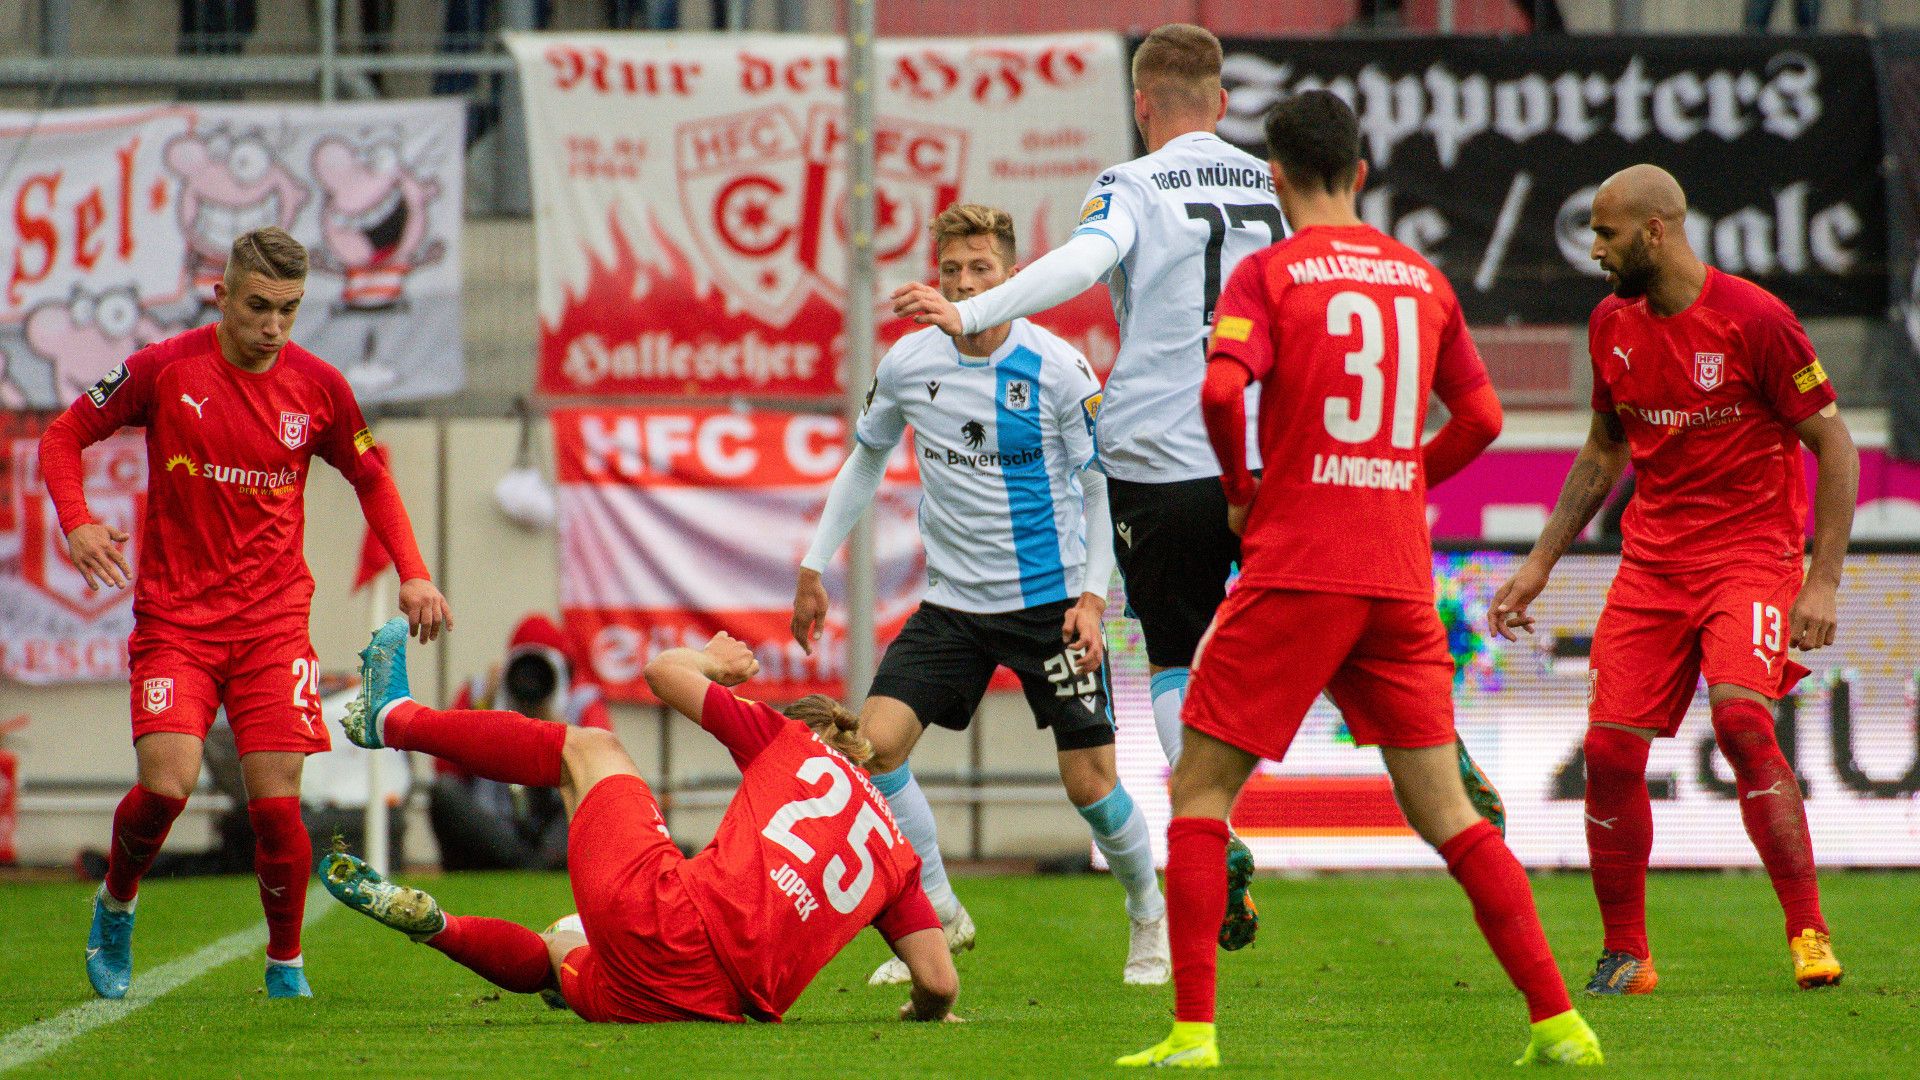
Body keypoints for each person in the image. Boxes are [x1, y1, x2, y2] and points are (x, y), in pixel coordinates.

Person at [891, 25, 1507, 943]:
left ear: (1141, 105)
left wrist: (973, 307)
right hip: (1277, 457)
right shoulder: (1276, 182)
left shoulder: (1132, 183)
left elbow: (1083, 262)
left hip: (1162, 458)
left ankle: (1213, 836)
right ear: (1222, 104)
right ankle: (1438, 747)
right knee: (1327, 621)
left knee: (1177, 657)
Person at [1120, 91, 1601, 1069]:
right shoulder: (1422, 279)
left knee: (1200, 791)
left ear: (1275, 179)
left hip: (1299, 567)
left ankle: (1193, 1034)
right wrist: (1400, 474)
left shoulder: (1270, 272)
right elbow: (1484, 419)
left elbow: (1220, 387)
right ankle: (1560, 1024)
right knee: (1447, 814)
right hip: (1395, 572)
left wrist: (1243, 489)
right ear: (1362, 173)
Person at [40, 226, 451, 1001]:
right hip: (177, 622)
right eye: (259, 306)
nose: (274, 326)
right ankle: (117, 901)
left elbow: (371, 476)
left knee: (277, 804)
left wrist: (415, 573)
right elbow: (64, 436)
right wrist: (79, 521)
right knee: (168, 786)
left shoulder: (319, 387)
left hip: (272, 625)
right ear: (221, 294)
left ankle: (285, 963)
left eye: (289, 310)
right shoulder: (166, 369)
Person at [1488, 163, 1857, 995]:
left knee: (1742, 723)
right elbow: (1604, 447)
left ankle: (1808, 932)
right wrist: (1541, 562)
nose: (1595, 250)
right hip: (1652, 565)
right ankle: (1627, 953)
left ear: (1655, 232)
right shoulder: (1610, 325)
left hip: (1750, 558)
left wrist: (1823, 581)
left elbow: (1835, 445)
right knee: (1609, 751)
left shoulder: (1756, 320)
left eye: (1607, 233)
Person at [795, 204, 1168, 987]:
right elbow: (866, 459)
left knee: (1091, 786)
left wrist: (1093, 598)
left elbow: (1100, 486)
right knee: (870, 748)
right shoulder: (909, 362)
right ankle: (940, 908)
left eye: (980, 269)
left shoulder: (1059, 369)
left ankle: (1147, 913)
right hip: (955, 606)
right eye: (952, 270)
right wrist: (813, 563)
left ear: (1012, 276)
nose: (964, 283)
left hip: (1051, 606)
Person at [323, 620, 961, 1025]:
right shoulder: (900, 859)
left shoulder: (792, 743)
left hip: (666, 919)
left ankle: (393, 717)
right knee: (556, 953)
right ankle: (441, 927)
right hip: (701, 1005)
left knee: (589, 749)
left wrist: (710, 660)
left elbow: (662, 674)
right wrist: (922, 1011)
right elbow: (939, 982)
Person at [429, 614, 611, 871]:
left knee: (592, 796)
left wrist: (559, 730)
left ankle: (534, 863)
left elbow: (602, 773)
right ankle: (528, 865)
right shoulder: (481, 694)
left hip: (552, 825)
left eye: (543, 672)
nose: (532, 682)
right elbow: (444, 771)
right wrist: (484, 711)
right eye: (524, 670)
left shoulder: (580, 702)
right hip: (494, 830)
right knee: (444, 791)